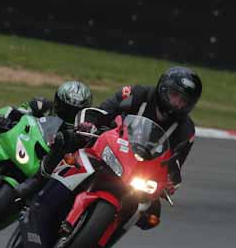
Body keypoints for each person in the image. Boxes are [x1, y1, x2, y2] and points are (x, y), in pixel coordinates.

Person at [69, 66, 203, 229]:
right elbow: (102, 111)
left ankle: (107, 232)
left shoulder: (186, 130)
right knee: (68, 145)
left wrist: (170, 182)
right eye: (174, 95)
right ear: (163, 89)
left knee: (150, 217)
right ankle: (44, 179)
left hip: (139, 173)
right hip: (108, 149)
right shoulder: (136, 94)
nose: (177, 103)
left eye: (184, 100)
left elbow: (175, 165)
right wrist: (90, 124)